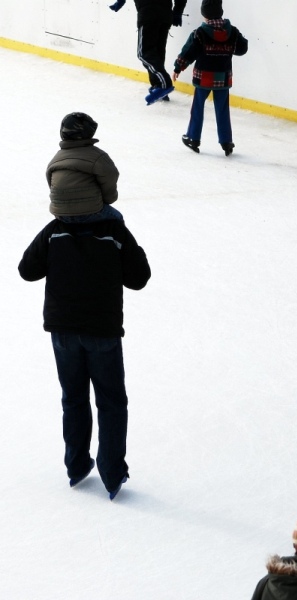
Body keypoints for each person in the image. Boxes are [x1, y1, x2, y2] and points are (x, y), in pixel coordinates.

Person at [18, 214, 151, 500]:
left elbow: (27, 269)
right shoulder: (113, 230)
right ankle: (112, 471)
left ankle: (77, 465)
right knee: (112, 401)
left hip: (63, 331)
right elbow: (139, 277)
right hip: (102, 331)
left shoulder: (55, 230)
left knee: (73, 397)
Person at [172, 0, 248, 156]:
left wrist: (178, 67)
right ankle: (227, 142)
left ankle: (193, 138)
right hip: (223, 77)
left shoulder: (200, 33)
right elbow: (242, 48)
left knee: (198, 108)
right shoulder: (231, 31)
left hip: (204, 77)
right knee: (222, 110)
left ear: (205, 14)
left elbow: (188, 52)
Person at [46, 112, 123, 224]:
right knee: (117, 218)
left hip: (60, 214)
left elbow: (50, 182)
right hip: (91, 211)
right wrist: (109, 198)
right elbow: (110, 175)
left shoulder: (56, 158)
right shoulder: (97, 156)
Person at [109, 0, 187, 105]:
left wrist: (120, 2)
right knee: (157, 53)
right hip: (165, 15)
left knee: (144, 54)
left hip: (148, 14)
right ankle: (158, 87)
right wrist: (177, 11)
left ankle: (164, 84)